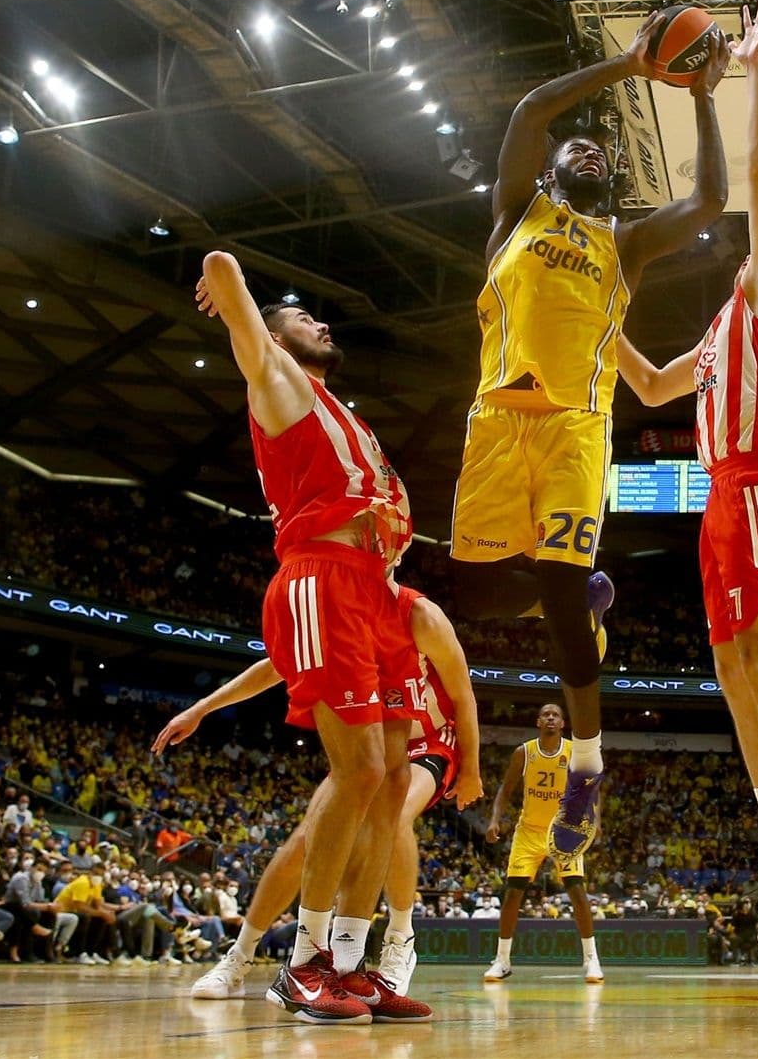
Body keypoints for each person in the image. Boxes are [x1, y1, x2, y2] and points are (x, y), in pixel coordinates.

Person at [449, 9, 730, 863]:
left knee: (566, 590)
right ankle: (570, 596)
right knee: (481, 598)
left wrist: (702, 98)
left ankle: (587, 769)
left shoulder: (627, 243)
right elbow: (531, 113)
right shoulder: (514, 216)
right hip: (497, 420)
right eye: (580, 151)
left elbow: (709, 201)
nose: (590, 153)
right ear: (551, 172)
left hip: (578, 428)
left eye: (601, 153)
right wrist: (631, 66)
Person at [615, 0, 758, 947]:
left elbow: (757, 179)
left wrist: (747, 75)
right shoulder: (717, 334)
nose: (749, 251)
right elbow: (657, 385)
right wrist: (598, 319)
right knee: (728, 670)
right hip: (720, 500)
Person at [196, 250, 427, 1025]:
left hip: (375, 591)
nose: (321, 323)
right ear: (271, 336)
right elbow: (221, 263)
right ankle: (302, 961)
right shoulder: (275, 380)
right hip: (320, 579)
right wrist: (233, 297)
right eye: (303, 318)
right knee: (358, 768)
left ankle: (354, 964)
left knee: (393, 783)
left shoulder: (339, 408)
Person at [152, 579, 483, 1000]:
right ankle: (238, 956)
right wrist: (201, 708)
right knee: (304, 842)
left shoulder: (420, 614)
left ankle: (400, 941)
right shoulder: (333, 607)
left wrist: (471, 767)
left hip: (431, 739)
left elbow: (464, 694)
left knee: (393, 815)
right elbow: (275, 666)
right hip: (369, 744)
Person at [482, 703, 603, 983]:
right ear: (538, 721)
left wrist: (595, 820)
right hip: (529, 831)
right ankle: (502, 960)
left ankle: (591, 959)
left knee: (577, 891)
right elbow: (506, 788)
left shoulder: (574, 751)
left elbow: (592, 786)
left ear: (562, 723)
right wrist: (494, 819)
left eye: (556, 715)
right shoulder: (524, 752)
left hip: (564, 829)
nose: (551, 718)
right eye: (546, 714)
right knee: (513, 893)